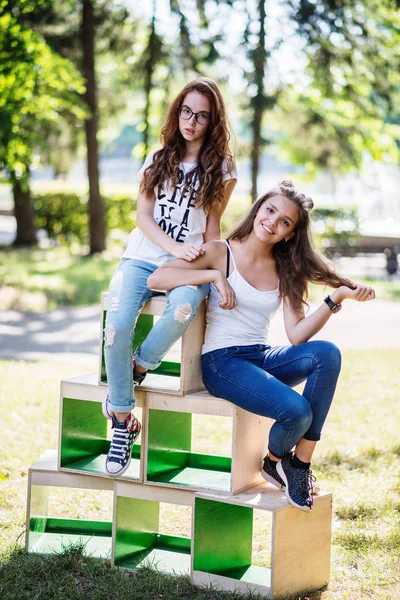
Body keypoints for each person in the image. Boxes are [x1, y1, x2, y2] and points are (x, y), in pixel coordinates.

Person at [147, 180, 375, 511]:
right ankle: (276, 462)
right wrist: (213, 277)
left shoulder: (286, 269)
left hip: (260, 356)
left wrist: (336, 297)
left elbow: (297, 336)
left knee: (327, 354)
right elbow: (158, 279)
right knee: (296, 412)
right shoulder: (219, 252)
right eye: (270, 210)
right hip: (222, 364)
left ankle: (295, 463)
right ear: (258, 210)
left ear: (289, 235)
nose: (273, 221)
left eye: (285, 221)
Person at [103, 77, 237, 477]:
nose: (191, 121)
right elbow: (143, 218)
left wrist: (214, 274)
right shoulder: (157, 157)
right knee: (118, 325)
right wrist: (174, 247)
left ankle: (140, 366)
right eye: (185, 111)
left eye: (201, 115)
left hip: (189, 267)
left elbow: (213, 226)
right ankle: (123, 421)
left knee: (182, 309)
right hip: (141, 258)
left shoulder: (223, 169)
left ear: (213, 122)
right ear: (177, 111)